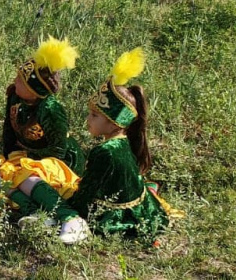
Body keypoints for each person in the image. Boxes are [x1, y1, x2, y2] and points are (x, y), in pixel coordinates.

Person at [11, 49, 180, 245]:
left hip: (107, 217)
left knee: (27, 182)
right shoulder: (124, 143)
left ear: (114, 122)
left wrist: (61, 205)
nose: (87, 120)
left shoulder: (105, 151)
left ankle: (65, 221)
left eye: (94, 115)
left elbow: (85, 196)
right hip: (129, 209)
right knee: (31, 183)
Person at [0, 37, 86, 226]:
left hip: (54, 161)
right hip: (21, 155)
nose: (15, 81)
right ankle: (40, 215)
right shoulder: (14, 96)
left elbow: (58, 150)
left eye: (21, 81)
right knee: (2, 176)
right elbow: (9, 128)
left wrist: (30, 160)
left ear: (35, 91)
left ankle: (64, 215)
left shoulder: (51, 109)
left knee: (24, 177)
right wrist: (8, 155)